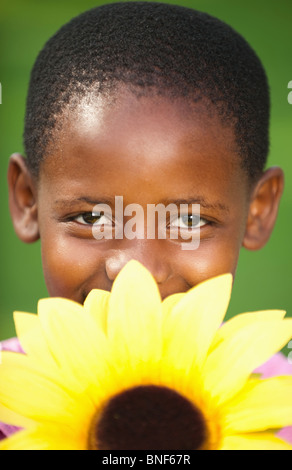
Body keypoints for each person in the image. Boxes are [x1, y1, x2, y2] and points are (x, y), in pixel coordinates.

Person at [1, 1, 291, 444]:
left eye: (190, 219)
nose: (137, 272)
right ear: (27, 201)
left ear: (258, 209)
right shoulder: (9, 398)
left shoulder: (279, 409)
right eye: (92, 217)